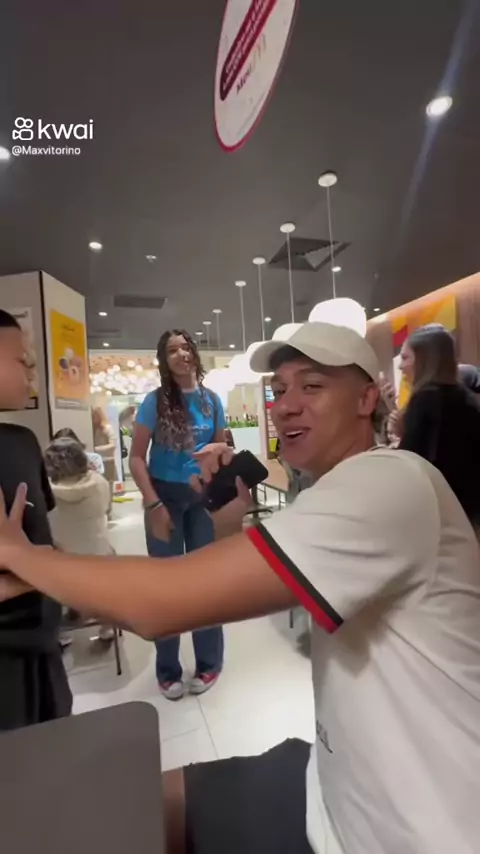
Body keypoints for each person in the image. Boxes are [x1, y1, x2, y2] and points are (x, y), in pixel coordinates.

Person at [0, 322, 480, 854]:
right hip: (332, 786)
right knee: (131, 801)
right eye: (280, 390)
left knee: (114, 811)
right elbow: (237, 581)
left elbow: (163, 604)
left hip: (409, 832)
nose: (286, 406)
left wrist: (25, 556)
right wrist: (229, 520)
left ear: (367, 398)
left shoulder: (387, 482)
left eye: (312, 386)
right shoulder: (335, 491)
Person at [129, 329, 227, 700]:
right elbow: (136, 458)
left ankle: (209, 663)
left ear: (194, 353)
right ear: (164, 360)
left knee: (206, 585)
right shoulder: (154, 402)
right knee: (167, 588)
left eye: (186, 347)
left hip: (202, 499)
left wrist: (219, 452)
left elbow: (221, 447)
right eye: (172, 350)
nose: (181, 354)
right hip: (164, 498)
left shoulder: (211, 400)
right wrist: (153, 504)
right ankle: (168, 670)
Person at [0, 309, 71, 730]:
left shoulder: (23, 442)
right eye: (20, 360)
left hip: (45, 647)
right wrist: (36, 571)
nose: (32, 373)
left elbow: (42, 537)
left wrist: (53, 564)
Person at [398, 323, 480, 525]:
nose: (400, 366)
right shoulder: (465, 398)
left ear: (424, 359)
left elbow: (411, 466)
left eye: (405, 357)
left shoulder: (426, 401)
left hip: (445, 518)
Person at [45, 437, 112, 557]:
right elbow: (106, 509)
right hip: (100, 555)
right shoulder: (99, 483)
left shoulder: (44, 490)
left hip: (62, 560)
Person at [92, 406, 117, 506]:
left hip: (107, 461)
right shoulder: (91, 429)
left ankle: (108, 508)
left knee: (108, 486)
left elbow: (113, 445)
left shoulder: (107, 428)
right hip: (95, 462)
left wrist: (96, 449)